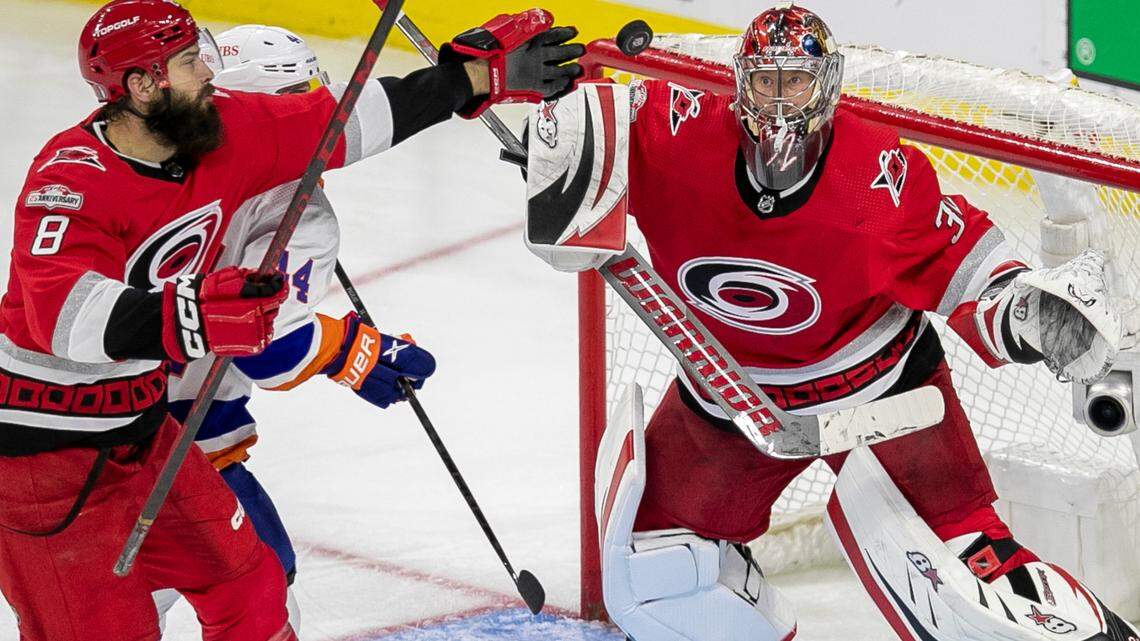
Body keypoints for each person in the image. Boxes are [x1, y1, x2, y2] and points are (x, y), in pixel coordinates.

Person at [524, 3, 1137, 640]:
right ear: (740, 80)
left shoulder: (875, 177)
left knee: (972, 585)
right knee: (658, 571)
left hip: (880, 396)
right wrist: (543, 114)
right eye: (766, 80)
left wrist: (1024, 307)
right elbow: (600, 111)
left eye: (797, 81)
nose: (781, 100)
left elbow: (958, 256)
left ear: (828, 83)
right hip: (732, 398)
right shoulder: (679, 131)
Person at [0, 1, 584, 639]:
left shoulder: (224, 129)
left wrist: (467, 80)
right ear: (143, 85)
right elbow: (60, 315)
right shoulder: (72, 179)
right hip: (43, 451)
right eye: (192, 62)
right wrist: (192, 315)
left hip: (145, 428)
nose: (209, 76)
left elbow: (342, 121)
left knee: (252, 588)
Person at [152, 24, 440, 635]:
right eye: (303, 98)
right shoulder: (297, 212)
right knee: (263, 593)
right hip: (174, 450)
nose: (316, 113)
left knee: (104, 606)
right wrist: (357, 353)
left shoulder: (135, 163)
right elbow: (271, 352)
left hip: (66, 432)